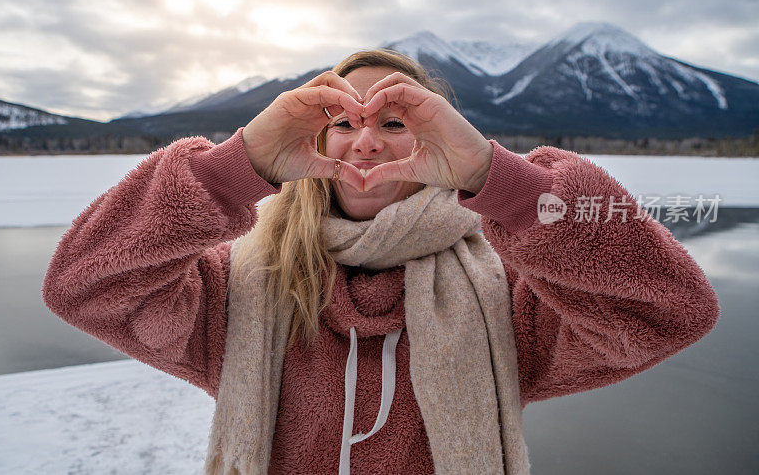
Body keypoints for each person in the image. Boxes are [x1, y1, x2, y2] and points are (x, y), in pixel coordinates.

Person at [42, 49, 720, 475]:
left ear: (438, 143)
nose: (366, 142)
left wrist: (499, 179)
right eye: (344, 121)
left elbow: (664, 310)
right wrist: (232, 169)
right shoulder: (233, 289)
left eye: (395, 122)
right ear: (311, 140)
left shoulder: (509, 297)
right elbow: (86, 285)